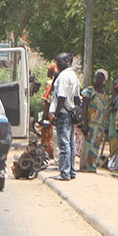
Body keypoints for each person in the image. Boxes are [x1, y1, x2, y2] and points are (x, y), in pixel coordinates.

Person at [49, 52, 81, 181]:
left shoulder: (63, 77)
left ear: (67, 61)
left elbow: (61, 97)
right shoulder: (73, 76)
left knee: (64, 144)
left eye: (59, 62)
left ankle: (65, 172)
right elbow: (77, 98)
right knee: (71, 144)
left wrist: (55, 114)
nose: (57, 65)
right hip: (71, 112)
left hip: (63, 113)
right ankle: (72, 171)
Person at [79, 69, 109, 172]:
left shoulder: (104, 93)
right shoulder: (90, 90)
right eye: (97, 77)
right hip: (91, 123)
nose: (99, 80)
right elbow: (84, 106)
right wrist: (85, 123)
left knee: (96, 147)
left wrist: (106, 126)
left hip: (100, 125)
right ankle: (90, 168)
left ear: (104, 80)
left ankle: (93, 167)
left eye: (101, 78)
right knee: (90, 147)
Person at [40, 62, 59, 159]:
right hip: (57, 112)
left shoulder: (50, 84)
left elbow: (47, 101)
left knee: (48, 133)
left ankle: (48, 152)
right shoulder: (59, 83)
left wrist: (44, 115)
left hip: (50, 114)